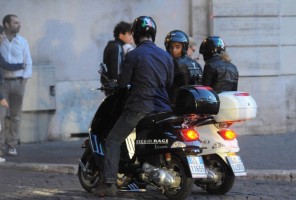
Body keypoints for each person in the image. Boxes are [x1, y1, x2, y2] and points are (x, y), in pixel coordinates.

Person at [93, 16, 174, 197]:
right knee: (144, 139)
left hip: (140, 106)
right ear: (153, 34)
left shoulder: (133, 55)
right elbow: (169, 82)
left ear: (136, 35)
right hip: (163, 108)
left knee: (113, 140)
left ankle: (110, 184)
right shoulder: (166, 56)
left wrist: (116, 84)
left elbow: (122, 83)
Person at [0, 14, 32, 158]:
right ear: (7, 25)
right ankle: (0, 146)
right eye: (15, 23)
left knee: (15, 116)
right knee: (1, 116)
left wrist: (23, 80)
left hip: (18, 82)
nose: (19, 25)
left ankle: (11, 144)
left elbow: (28, 62)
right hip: (3, 83)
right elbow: (4, 64)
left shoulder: (22, 42)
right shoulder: (1, 40)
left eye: (19, 22)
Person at [164, 30, 203, 100]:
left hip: (178, 103)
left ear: (184, 47)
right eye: (171, 47)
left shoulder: (171, 63)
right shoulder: (196, 64)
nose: (174, 50)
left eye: (177, 47)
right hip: (195, 101)